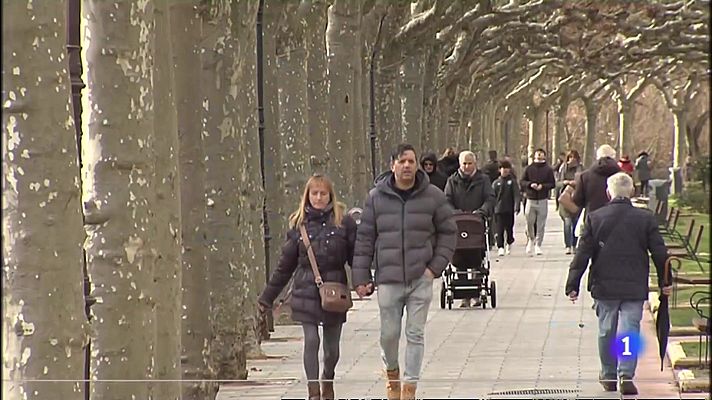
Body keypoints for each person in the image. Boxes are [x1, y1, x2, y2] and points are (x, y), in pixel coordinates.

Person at [352, 143, 457, 400]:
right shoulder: (376, 197)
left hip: (420, 276)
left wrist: (434, 268)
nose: (407, 166)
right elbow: (365, 239)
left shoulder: (432, 195)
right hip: (388, 278)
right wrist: (361, 277)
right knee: (389, 335)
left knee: (415, 333)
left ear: (417, 165)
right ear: (392, 166)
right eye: (402, 161)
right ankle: (392, 374)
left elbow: (449, 232)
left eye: (411, 161)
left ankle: (409, 387)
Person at [565, 172, 672, 396]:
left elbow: (583, 253)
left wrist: (572, 283)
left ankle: (608, 374)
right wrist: (666, 281)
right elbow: (660, 252)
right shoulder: (645, 218)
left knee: (606, 330)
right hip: (634, 284)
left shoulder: (595, 218)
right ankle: (626, 374)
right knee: (629, 330)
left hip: (604, 284)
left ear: (608, 192)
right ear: (631, 192)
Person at [258, 174, 357, 400]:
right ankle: (313, 392)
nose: (319, 198)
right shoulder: (298, 224)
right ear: (307, 196)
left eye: (323, 193)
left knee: (332, 350)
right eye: (315, 193)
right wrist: (267, 297)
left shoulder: (344, 222)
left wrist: (364, 281)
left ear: (330, 196)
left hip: (335, 290)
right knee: (311, 340)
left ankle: (327, 379)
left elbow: (356, 257)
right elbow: (285, 267)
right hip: (305, 289)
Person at [445, 150, 495, 307]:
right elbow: (446, 200)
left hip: (477, 224)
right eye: (464, 164)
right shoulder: (452, 181)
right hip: (457, 224)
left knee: (476, 256)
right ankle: (463, 295)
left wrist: (481, 212)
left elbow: (490, 198)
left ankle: (476, 293)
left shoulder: (483, 180)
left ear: (475, 164)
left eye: (469, 163)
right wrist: (455, 213)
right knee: (459, 257)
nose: (466, 167)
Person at [520, 148, 556, 256]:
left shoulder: (548, 169)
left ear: (544, 156)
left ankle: (538, 244)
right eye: (537, 154)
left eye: (541, 154)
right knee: (529, 221)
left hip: (542, 199)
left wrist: (543, 186)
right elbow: (522, 181)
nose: (539, 156)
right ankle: (531, 239)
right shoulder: (529, 169)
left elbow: (552, 183)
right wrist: (530, 184)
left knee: (541, 223)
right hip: (530, 199)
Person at [573, 144, 621, 214]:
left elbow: (577, 200)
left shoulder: (584, 176)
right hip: (616, 217)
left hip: (592, 216)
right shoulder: (621, 176)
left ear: (597, 157)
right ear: (613, 157)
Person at [557, 150, 584, 254]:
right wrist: (565, 182)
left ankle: (574, 244)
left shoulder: (581, 168)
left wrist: (576, 183)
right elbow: (557, 183)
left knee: (576, 222)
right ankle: (568, 245)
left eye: (574, 158)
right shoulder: (563, 168)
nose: (572, 160)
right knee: (567, 223)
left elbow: (584, 181)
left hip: (577, 198)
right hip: (565, 198)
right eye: (570, 157)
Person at [492, 160, 521, 256]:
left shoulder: (512, 182)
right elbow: (492, 196)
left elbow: (516, 195)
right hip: (498, 210)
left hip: (509, 209)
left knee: (509, 228)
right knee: (499, 229)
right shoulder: (496, 183)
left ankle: (509, 242)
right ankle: (500, 246)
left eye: (506, 168)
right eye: (503, 168)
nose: (504, 170)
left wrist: (517, 206)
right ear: (500, 170)